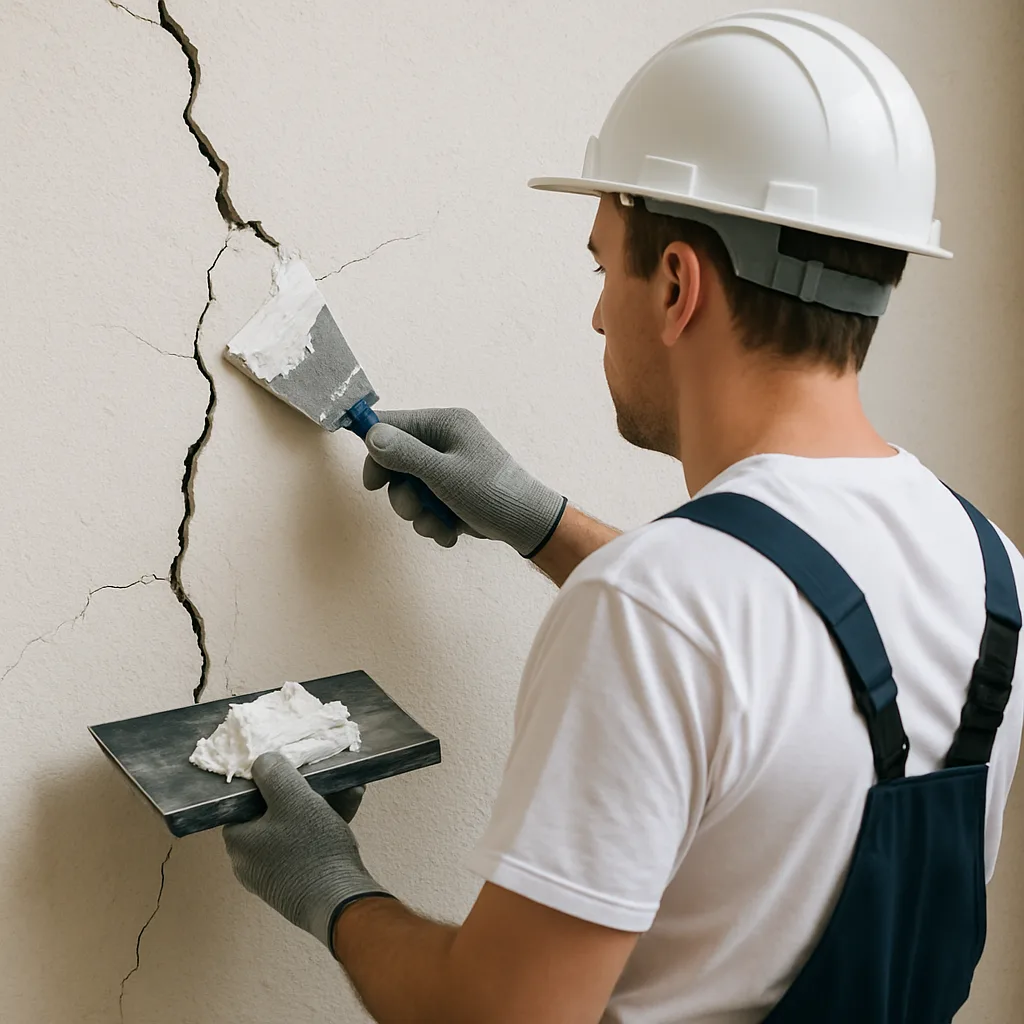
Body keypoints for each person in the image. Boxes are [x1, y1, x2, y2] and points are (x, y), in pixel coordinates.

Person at [222, 10, 1024, 1023]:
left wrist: (329, 886)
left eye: (605, 265)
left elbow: (501, 1016)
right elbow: (775, 658)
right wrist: (537, 519)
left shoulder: (654, 608)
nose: (600, 311)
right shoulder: (987, 562)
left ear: (678, 282)